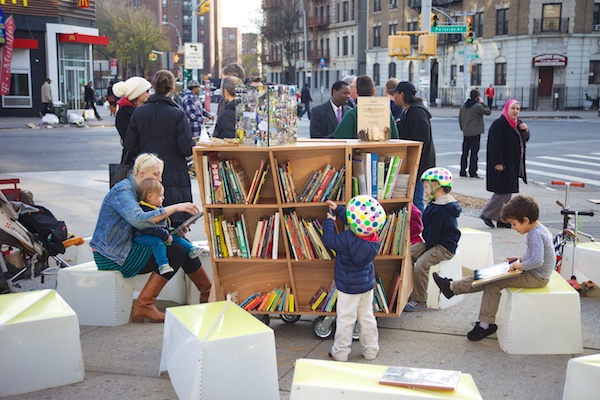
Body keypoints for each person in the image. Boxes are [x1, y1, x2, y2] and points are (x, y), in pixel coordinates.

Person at [90, 153, 212, 323]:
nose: (160, 179)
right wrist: (175, 208)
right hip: (113, 256)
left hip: (130, 247)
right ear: (140, 173)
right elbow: (140, 220)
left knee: (182, 244)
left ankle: (207, 291)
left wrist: (173, 231)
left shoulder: (144, 190)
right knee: (175, 251)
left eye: (160, 174)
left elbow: (152, 228)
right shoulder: (123, 191)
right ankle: (144, 306)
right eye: (155, 174)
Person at [433, 195, 554, 341]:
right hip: (532, 272)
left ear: (526, 220)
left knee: (494, 283)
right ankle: (452, 287)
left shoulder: (535, 235)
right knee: (489, 276)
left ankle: (484, 325)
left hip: (537, 277)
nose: (513, 227)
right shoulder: (537, 230)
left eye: (514, 224)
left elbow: (537, 260)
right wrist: (519, 260)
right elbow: (536, 256)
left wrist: (520, 265)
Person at [125, 70, 195, 227]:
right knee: (175, 221)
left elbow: (130, 144)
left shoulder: (139, 113)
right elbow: (186, 148)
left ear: (153, 87)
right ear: (171, 89)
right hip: (174, 173)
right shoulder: (177, 114)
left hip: (147, 172)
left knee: (147, 215)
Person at [322, 196, 386, 362]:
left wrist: (330, 222)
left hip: (348, 286)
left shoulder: (346, 239)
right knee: (367, 317)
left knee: (345, 319)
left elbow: (329, 240)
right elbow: (357, 221)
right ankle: (371, 350)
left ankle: (340, 352)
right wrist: (339, 210)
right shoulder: (374, 236)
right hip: (366, 285)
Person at [404, 167, 461, 312]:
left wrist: (425, 249)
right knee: (407, 255)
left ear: (436, 185)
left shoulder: (441, 209)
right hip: (433, 242)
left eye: (426, 187)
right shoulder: (436, 204)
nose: (425, 190)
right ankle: (408, 291)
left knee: (421, 266)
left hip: (444, 247)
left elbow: (434, 235)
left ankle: (420, 300)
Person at [133, 178, 203, 275]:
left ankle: (191, 249)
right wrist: (165, 235)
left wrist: (170, 231)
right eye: (160, 196)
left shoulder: (156, 207)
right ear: (149, 197)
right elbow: (148, 228)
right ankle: (162, 264)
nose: (163, 198)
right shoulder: (145, 210)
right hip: (141, 236)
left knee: (176, 237)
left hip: (156, 233)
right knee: (158, 242)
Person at [480, 99, 530, 229]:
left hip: (512, 163)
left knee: (507, 192)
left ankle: (502, 219)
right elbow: (494, 145)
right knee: (502, 192)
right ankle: (487, 213)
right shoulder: (499, 124)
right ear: (507, 109)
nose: (515, 111)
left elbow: (522, 141)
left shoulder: (517, 124)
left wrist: (525, 131)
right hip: (503, 164)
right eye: (513, 108)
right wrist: (498, 162)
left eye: (517, 109)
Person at [391, 81, 436, 213]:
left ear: (402, 94)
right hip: (414, 165)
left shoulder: (416, 113)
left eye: (396, 94)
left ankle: (419, 230)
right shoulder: (409, 111)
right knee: (414, 200)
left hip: (418, 166)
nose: (394, 97)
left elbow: (422, 141)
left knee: (416, 202)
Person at [333, 75, 399, 139]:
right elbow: (395, 138)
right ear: (374, 92)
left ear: (356, 92)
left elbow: (339, 139)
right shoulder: (386, 114)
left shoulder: (351, 115)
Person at [113, 76, 152, 165]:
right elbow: (129, 140)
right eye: (146, 91)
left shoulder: (146, 109)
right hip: (133, 160)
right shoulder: (124, 113)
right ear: (137, 93)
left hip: (147, 159)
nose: (148, 94)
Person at [458, 89, 491, 179]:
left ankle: (462, 171)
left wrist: (463, 128)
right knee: (474, 153)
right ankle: (473, 172)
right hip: (475, 132)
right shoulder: (477, 106)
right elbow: (488, 111)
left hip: (466, 132)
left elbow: (460, 119)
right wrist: (482, 102)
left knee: (464, 153)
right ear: (477, 97)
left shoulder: (463, 106)